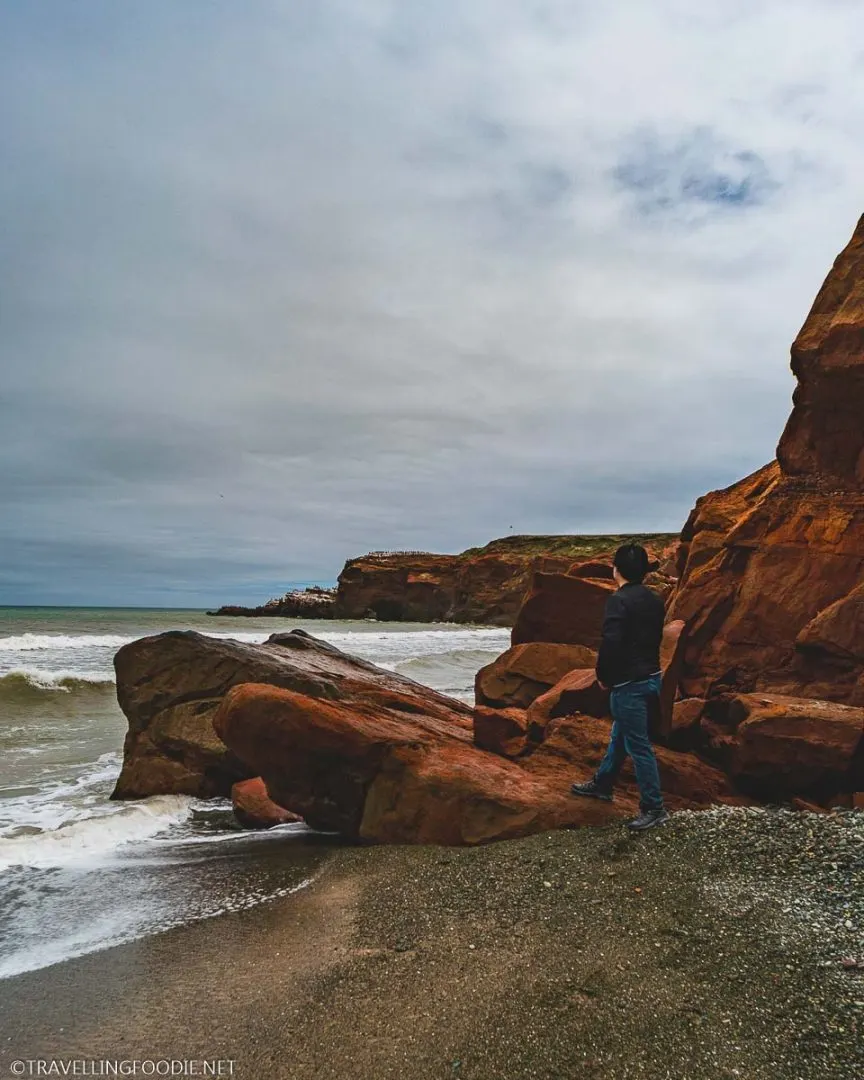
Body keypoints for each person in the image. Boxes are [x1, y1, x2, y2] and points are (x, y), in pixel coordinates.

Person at [570, 542, 669, 831]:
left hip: (629, 683)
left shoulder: (619, 600)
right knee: (621, 735)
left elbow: (611, 642)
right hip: (652, 677)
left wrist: (603, 675)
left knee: (638, 746)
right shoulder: (655, 601)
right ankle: (603, 783)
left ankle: (654, 807)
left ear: (616, 570)